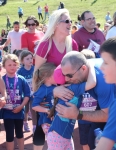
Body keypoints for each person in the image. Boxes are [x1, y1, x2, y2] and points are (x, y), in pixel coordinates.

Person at [33, 8, 78, 150]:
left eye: (71, 21)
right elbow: (37, 75)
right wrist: (51, 92)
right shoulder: (45, 45)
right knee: (46, 133)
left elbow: (76, 73)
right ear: (56, 24)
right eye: (67, 21)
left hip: (67, 96)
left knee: (64, 133)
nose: (70, 23)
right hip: (46, 98)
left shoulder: (73, 45)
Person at [54, 51, 114, 149]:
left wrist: (78, 114)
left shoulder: (102, 80)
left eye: (69, 75)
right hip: (104, 105)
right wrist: (56, 90)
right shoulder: (78, 69)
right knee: (92, 142)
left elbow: (108, 115)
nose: (66, 79)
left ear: (83, 68)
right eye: (63, 74)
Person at [47, 53, 96, 150]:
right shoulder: (74, 88)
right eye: (67, 75)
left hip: (63, 135)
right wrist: (90, 64)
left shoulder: (65, 88)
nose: (67, 77)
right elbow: (92, 82)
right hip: (58, 136)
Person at [2, 54, 30, 150]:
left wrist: (21, 106)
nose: (12, 67)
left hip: (19, 111)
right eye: (9, 65)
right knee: (9, 134)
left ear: (17, 65)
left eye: (14, 65)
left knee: (19, 133)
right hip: (7, 113)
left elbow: (27, 95)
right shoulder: (1, 80)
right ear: (4, 66)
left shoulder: (21, 79)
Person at [32, 63, 65, 139]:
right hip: (47, 121)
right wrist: (47, 110)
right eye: (56, 74)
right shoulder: (42, 89)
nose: (59, 76)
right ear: (48, 77)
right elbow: (34, 106)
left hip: (55, 119)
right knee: (52, 141)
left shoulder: (55, 86)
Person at [17, 50, 36, 133]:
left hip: (33, 94)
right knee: (26, 110)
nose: (30, 60)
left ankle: (35, 126)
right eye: (27, 59)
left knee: (33, 109)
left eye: (31, 58)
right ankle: (25, 122)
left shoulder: (34, 68)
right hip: (24, 95)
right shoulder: (20, 71)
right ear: (22, 61)